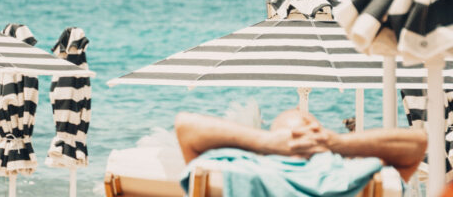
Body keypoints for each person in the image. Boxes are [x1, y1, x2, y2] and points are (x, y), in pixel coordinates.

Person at [175, 109, 427, 196]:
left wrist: (265, 141)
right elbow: (416, 144)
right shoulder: (351, 174)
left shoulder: (239, 169)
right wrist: (336, 143)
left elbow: (186, 126)